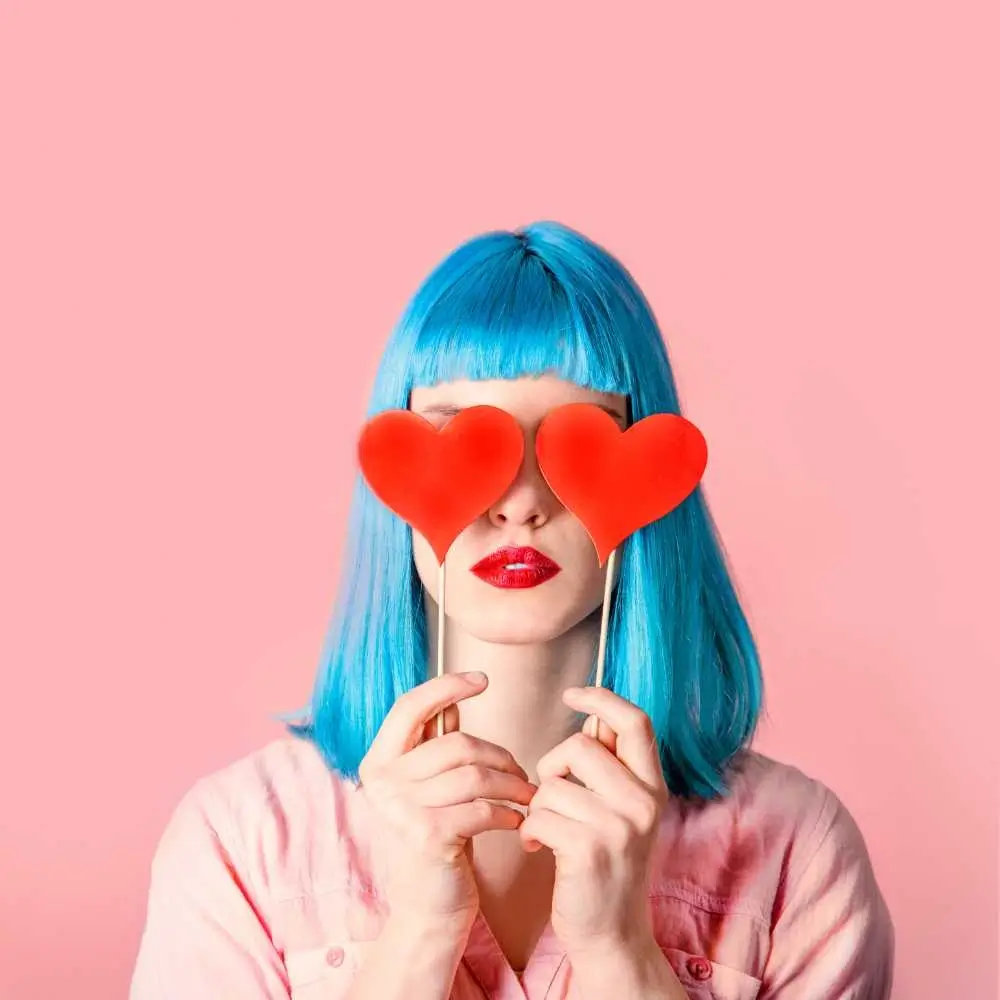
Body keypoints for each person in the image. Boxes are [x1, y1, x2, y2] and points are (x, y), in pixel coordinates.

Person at [130, 221, 894, 1000]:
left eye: (582, 440)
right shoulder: (240, 842)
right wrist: (420, 934)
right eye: (462, 439)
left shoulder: (798, 851)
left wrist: (619, 952)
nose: (521, 503)